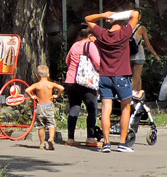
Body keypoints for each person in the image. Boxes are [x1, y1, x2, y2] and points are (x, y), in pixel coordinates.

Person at [85, 9, 139, 152]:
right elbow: (135, 13)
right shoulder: (124, 33)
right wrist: (119, 15)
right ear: (122, 23)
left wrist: (104, 15)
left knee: (105, 109)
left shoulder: (102, 34)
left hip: (104, 76)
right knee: (126, 107)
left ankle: (106, 143)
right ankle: (122, 143)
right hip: (121, 75)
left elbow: (88, 18)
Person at [64, 25, 100, 144]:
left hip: (70, 81)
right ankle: (90, 138)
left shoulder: (75, 45)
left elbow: (67, 61)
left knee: (74, 108)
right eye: (95, 37)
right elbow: (98, 63)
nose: (96, 39)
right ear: (90, 36)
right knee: (92, 108)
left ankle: (70, 138)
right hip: (85, 81)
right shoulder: (90, 45)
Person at [25, 65, 64, 150]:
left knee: (40, 126)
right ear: (48, 74)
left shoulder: (37, 85)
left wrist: (32, 96)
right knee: (51, 124)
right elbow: (61, 88)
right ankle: (51, 138)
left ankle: (42, 144)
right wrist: (56, 95)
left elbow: (27, 90)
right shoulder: (50, 84)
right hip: (49, 106)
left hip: (40, 106)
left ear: (37, 76)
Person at [129, 22, 159, 94]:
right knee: (136, 77)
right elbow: (147, 44)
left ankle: (138, 96)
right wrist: (155, 55)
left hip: (128, 56)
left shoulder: (126, 27)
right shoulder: (141, 28)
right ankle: (130, 95)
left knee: (138, 78)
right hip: (139, 55)